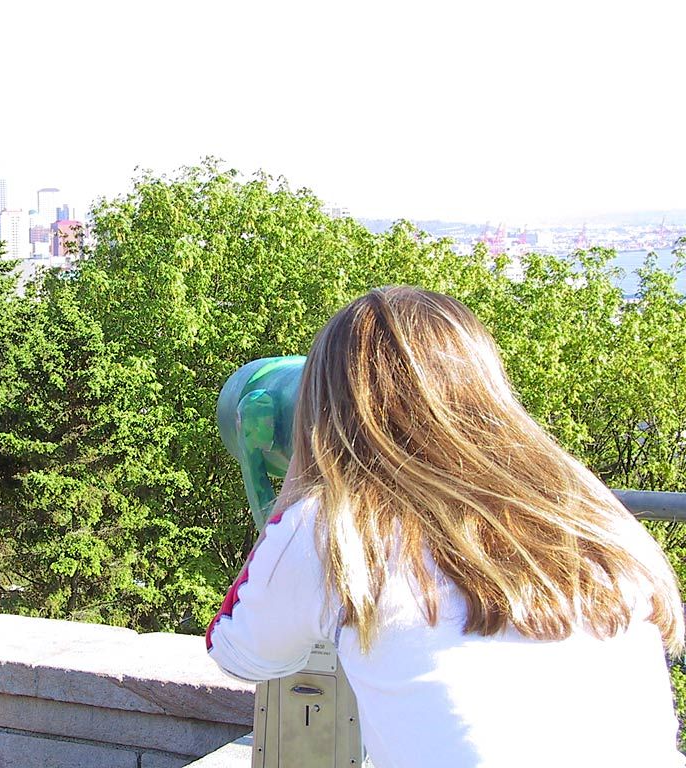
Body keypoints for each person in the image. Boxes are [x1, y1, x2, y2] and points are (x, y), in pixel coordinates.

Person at [206, 286, 685, 767]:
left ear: (327, 410)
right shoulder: (592, 514)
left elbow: (236, 650)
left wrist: (301, 480)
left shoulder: (333, 531)